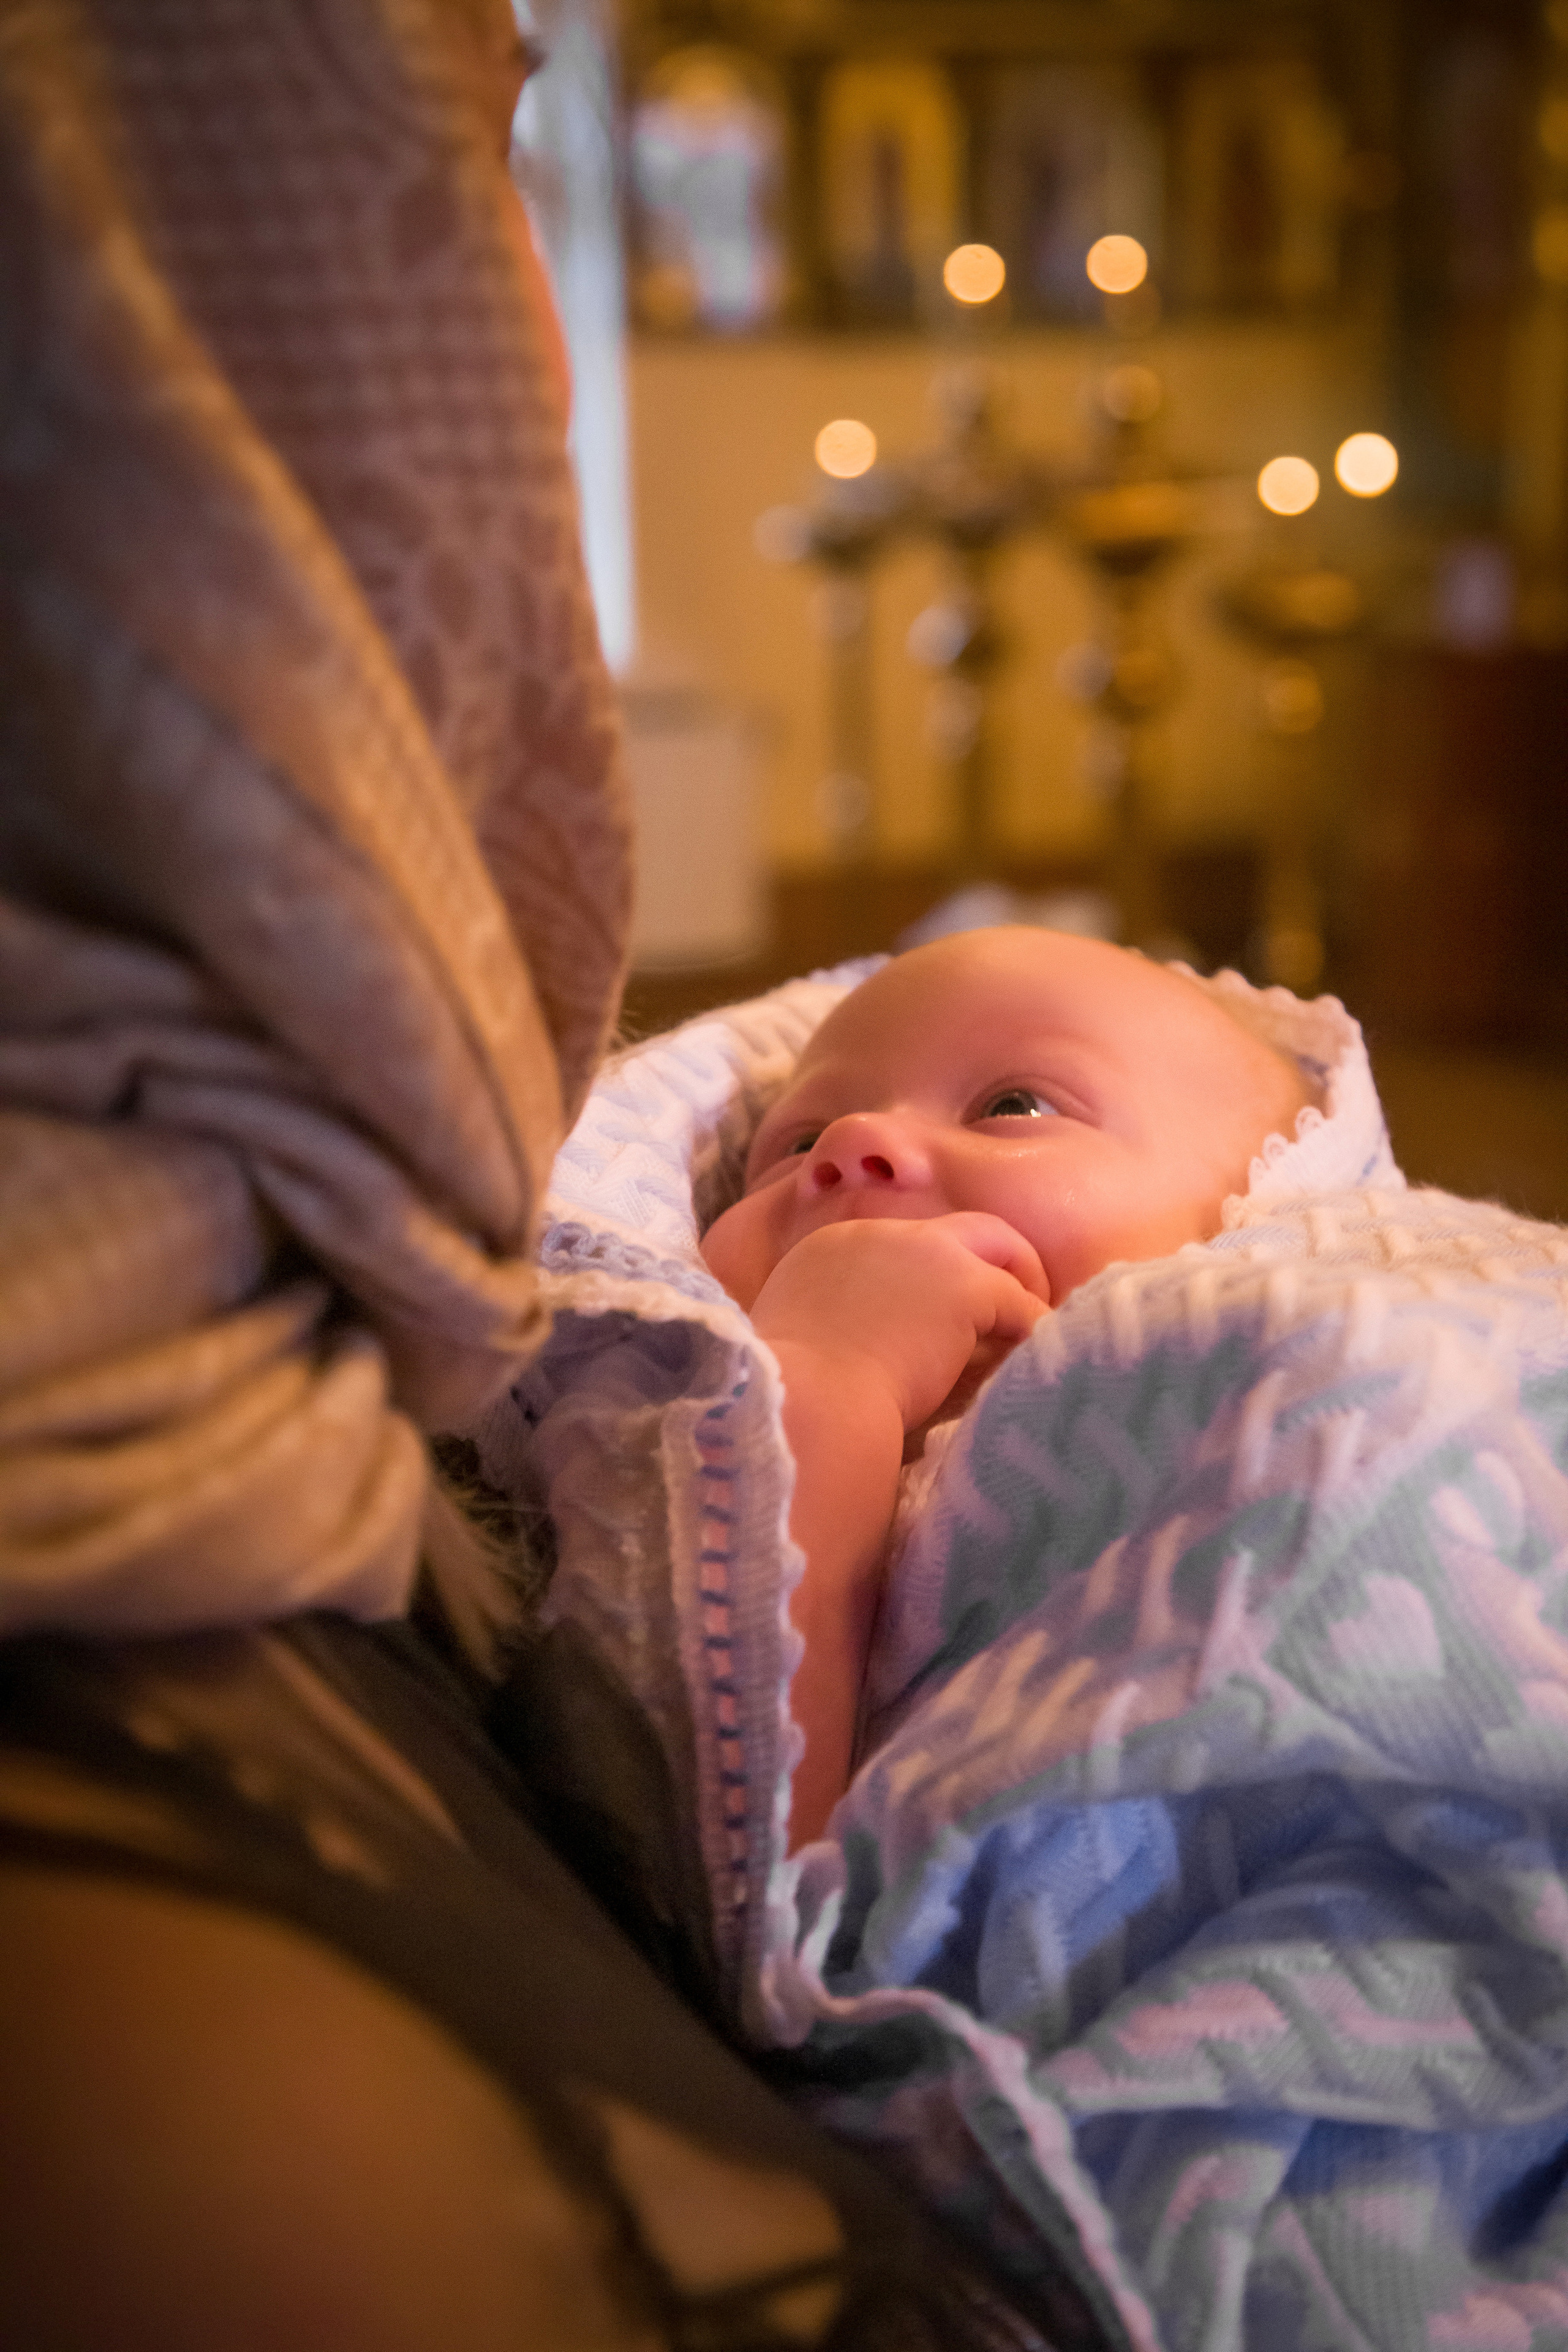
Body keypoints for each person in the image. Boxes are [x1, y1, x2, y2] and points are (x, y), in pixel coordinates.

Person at [698, 927, 1314, 1849]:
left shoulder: (1286, 1406)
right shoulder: (681, 1447)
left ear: (1255, 1219)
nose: (857, 1139)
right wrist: (828, 1374)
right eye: (799, 1139)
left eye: (1014, 1105)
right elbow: (722, 1845)